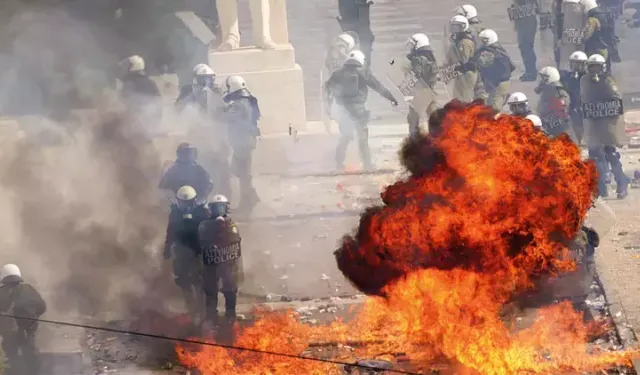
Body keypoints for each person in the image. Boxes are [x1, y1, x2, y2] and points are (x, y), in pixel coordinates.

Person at [324, 50, 398, 171]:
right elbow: (378, 87)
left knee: (346, 136)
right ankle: (367, 164)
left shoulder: (337, 74)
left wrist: (328, 105)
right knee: (362, 137)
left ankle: (338, 163)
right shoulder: (363, 73)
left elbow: (327, 88)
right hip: (358, 110)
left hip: (343, 109)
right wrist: (392, 98)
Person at [175, 63, 232, 200]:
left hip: (217, 134)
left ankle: (224, 197)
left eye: (209, 79)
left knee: (221, 167)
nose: (206, 83)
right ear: (196, 79)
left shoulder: (219, 91)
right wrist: (191, 96)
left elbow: (226, 111)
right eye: (202, 79)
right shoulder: (188, 91)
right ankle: (201, 197)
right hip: (198, 134)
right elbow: (178, 108)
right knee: (201, 167)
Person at [580, 53, 630, 198]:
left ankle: (621, 182)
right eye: (592, 67)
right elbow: (584, 97)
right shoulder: (584, 80)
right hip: (592, 122)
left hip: (606, 122)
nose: (595, 70)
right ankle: (600, 187)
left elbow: (616, 99)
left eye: (597, 67)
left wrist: (602, 104)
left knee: (611, 154)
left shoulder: (608, 81)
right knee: (595, 155)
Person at [163, 186, 210, 321]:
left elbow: (208, 232)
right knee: (183, 280)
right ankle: (191, 309)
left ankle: (202, 311)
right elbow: (170, 231)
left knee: (199, 281)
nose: (185, 205)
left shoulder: (202, 213)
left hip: (198, 251)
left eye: (188, 202)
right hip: (181, 251)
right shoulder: (175, 213)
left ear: (194, 201)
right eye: (183, 202)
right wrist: (167, 249)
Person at [198, 195, 243, 326]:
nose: (218, 211)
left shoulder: (231, 224)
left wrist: (224, 227)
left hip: (228, 263)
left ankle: (230, 314)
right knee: (211, 291)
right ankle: (212, 317)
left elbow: (234, 239)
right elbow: (203, 240)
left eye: (221, 207)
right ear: (210, 209)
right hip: (211, 263)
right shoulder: (204, 225)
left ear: (227, 208)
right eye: (216, 208)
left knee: (230, 289)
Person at [222, 76, 261, 212]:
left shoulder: (239, 103)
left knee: (243, 174)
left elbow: (229, 117)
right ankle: (250, 198)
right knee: (239, 171)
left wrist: (221, 109)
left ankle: (248, 202)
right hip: (245, 141)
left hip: (243, 143)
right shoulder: (247, 100)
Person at [0, 264, 46, 375]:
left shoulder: (2, 292)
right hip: (29, 329)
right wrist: (34, 317)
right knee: (31, 354)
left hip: (10, 333)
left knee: (11, 355)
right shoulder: (29, 288)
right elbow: (42, 307)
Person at [446, 15, 487, 103]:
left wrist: (450, 70)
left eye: (456, 26)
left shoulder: (464, 42)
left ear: (463, 26)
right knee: (458, 96)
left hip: (466, 73)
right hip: (462, 72)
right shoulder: (458, 39)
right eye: (453, 26)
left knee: (463, 98)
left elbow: (463, 60)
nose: (454, 29)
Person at [473, 29, 516, 111]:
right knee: (490, 105)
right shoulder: (498, 49)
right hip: (497, 82)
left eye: (484, 40)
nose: (482, 42)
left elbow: (481, 65)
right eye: (481, 39)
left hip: (497, 83)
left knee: (495, 109)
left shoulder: (490, 53)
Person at [405, 33, 439, 136]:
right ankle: (437, 139)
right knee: (433, 117)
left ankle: (414, 141)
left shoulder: (418, 59)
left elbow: (415, 75)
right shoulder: (429, 57)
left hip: (419, 92)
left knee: (413, 119)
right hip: (429, 90)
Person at [534, 66, 576, 141]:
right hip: (549, 131)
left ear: (549, 79)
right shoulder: (545, 94)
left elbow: (563, 109)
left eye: (543, 79)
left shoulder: (560, 93)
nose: (541, 81)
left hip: (562, 132)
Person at [119, 55, 162, 125]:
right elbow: (158, 99)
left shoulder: (130, 81)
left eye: (127, 66)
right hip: (152, 120)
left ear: (132, 67)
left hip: (136, 120)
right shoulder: (150, 81)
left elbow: (123, 98)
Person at [580, 0, 618, 68]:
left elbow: (588, 32)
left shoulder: (592, 13)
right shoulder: (609, 12)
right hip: (606, 43)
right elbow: (612, 30)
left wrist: (583, 39)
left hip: (594, 44)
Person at [337, 0, 375, 66]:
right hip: (351, 14)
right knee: (353, 39)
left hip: (358, 14)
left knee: (364, 41)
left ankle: (364, 66)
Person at [562, 51, 588, 143]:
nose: (576, 67)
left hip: (585, 104)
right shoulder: (567, 77)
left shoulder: (588, 77)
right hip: (573, 104)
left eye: (579, 64)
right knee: (575, 123)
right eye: (574, 64)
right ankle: (578, 140)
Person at [511, 0, 539, 81]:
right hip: (524, 22)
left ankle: (531, 72)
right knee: (524, 47)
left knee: (526, 47)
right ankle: (530, 71)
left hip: (527, 23)